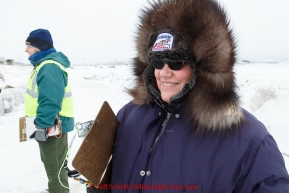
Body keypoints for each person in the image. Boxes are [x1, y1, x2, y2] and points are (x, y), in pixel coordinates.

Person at [87, 0, 289, 192]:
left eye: (176, 63)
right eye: (157, 62)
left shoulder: (249, 141)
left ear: (203, 67)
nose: (164, 73)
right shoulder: (128, 117)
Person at [24, 29, 74, 193]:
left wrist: (42, 126)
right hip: (50, 125)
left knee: (55, 170)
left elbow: (51, 100)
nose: (26, 50)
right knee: (55, 166)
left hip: (52, 126)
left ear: (39, 47)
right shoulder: (44, 65)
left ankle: (58, 190)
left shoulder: (49, 66)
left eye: (29, 46)